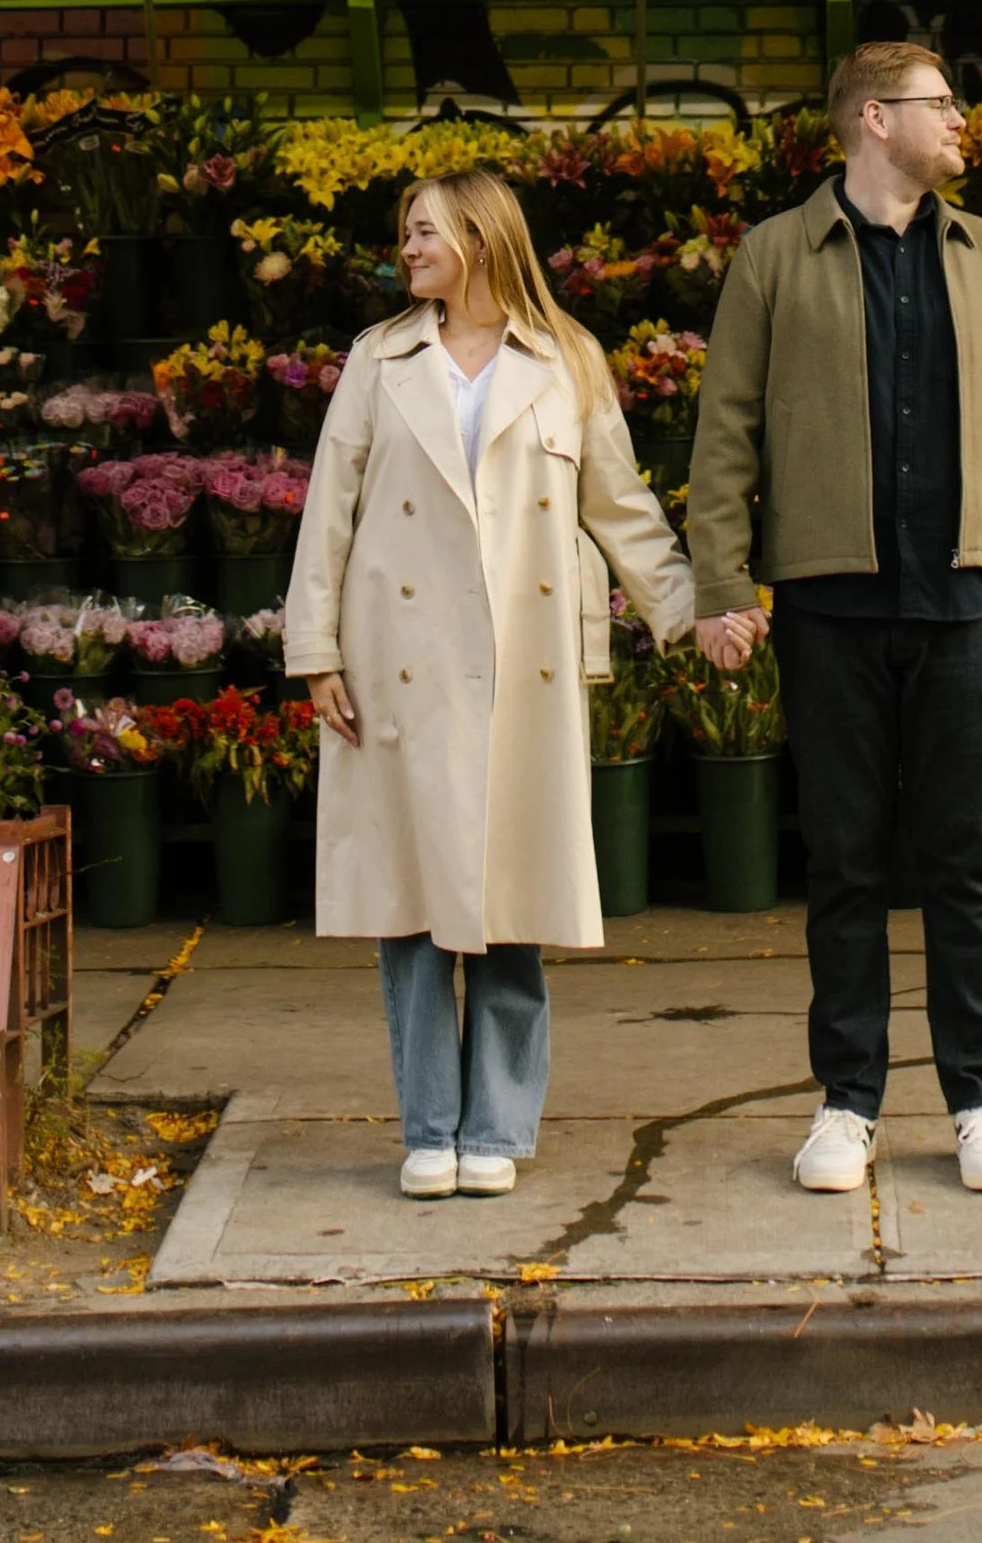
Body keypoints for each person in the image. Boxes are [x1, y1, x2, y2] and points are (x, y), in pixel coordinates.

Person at [687, 39, 982, 1199]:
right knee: (846, 864)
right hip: (829, 600)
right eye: (939, 103)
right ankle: (846, 1102)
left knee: (967, 863)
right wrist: (721, 586)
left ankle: (980, 1100)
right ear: (871, 118)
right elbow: (724, 437)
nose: (961, 121)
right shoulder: (773, 257)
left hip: (963, 595)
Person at [285, 167, 696, 1200]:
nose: (406, 249)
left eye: (421, 231)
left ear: (476, 236)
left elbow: (621, 505)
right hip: (401, 669)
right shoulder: (379, 361)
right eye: (405, 233)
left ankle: (499, 1130)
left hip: (524, 668)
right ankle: (430, 1127)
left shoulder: (565, 361)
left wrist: (694, 611)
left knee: (513, 903)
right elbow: (327, 511)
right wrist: (315, 652)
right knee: (415, 904)